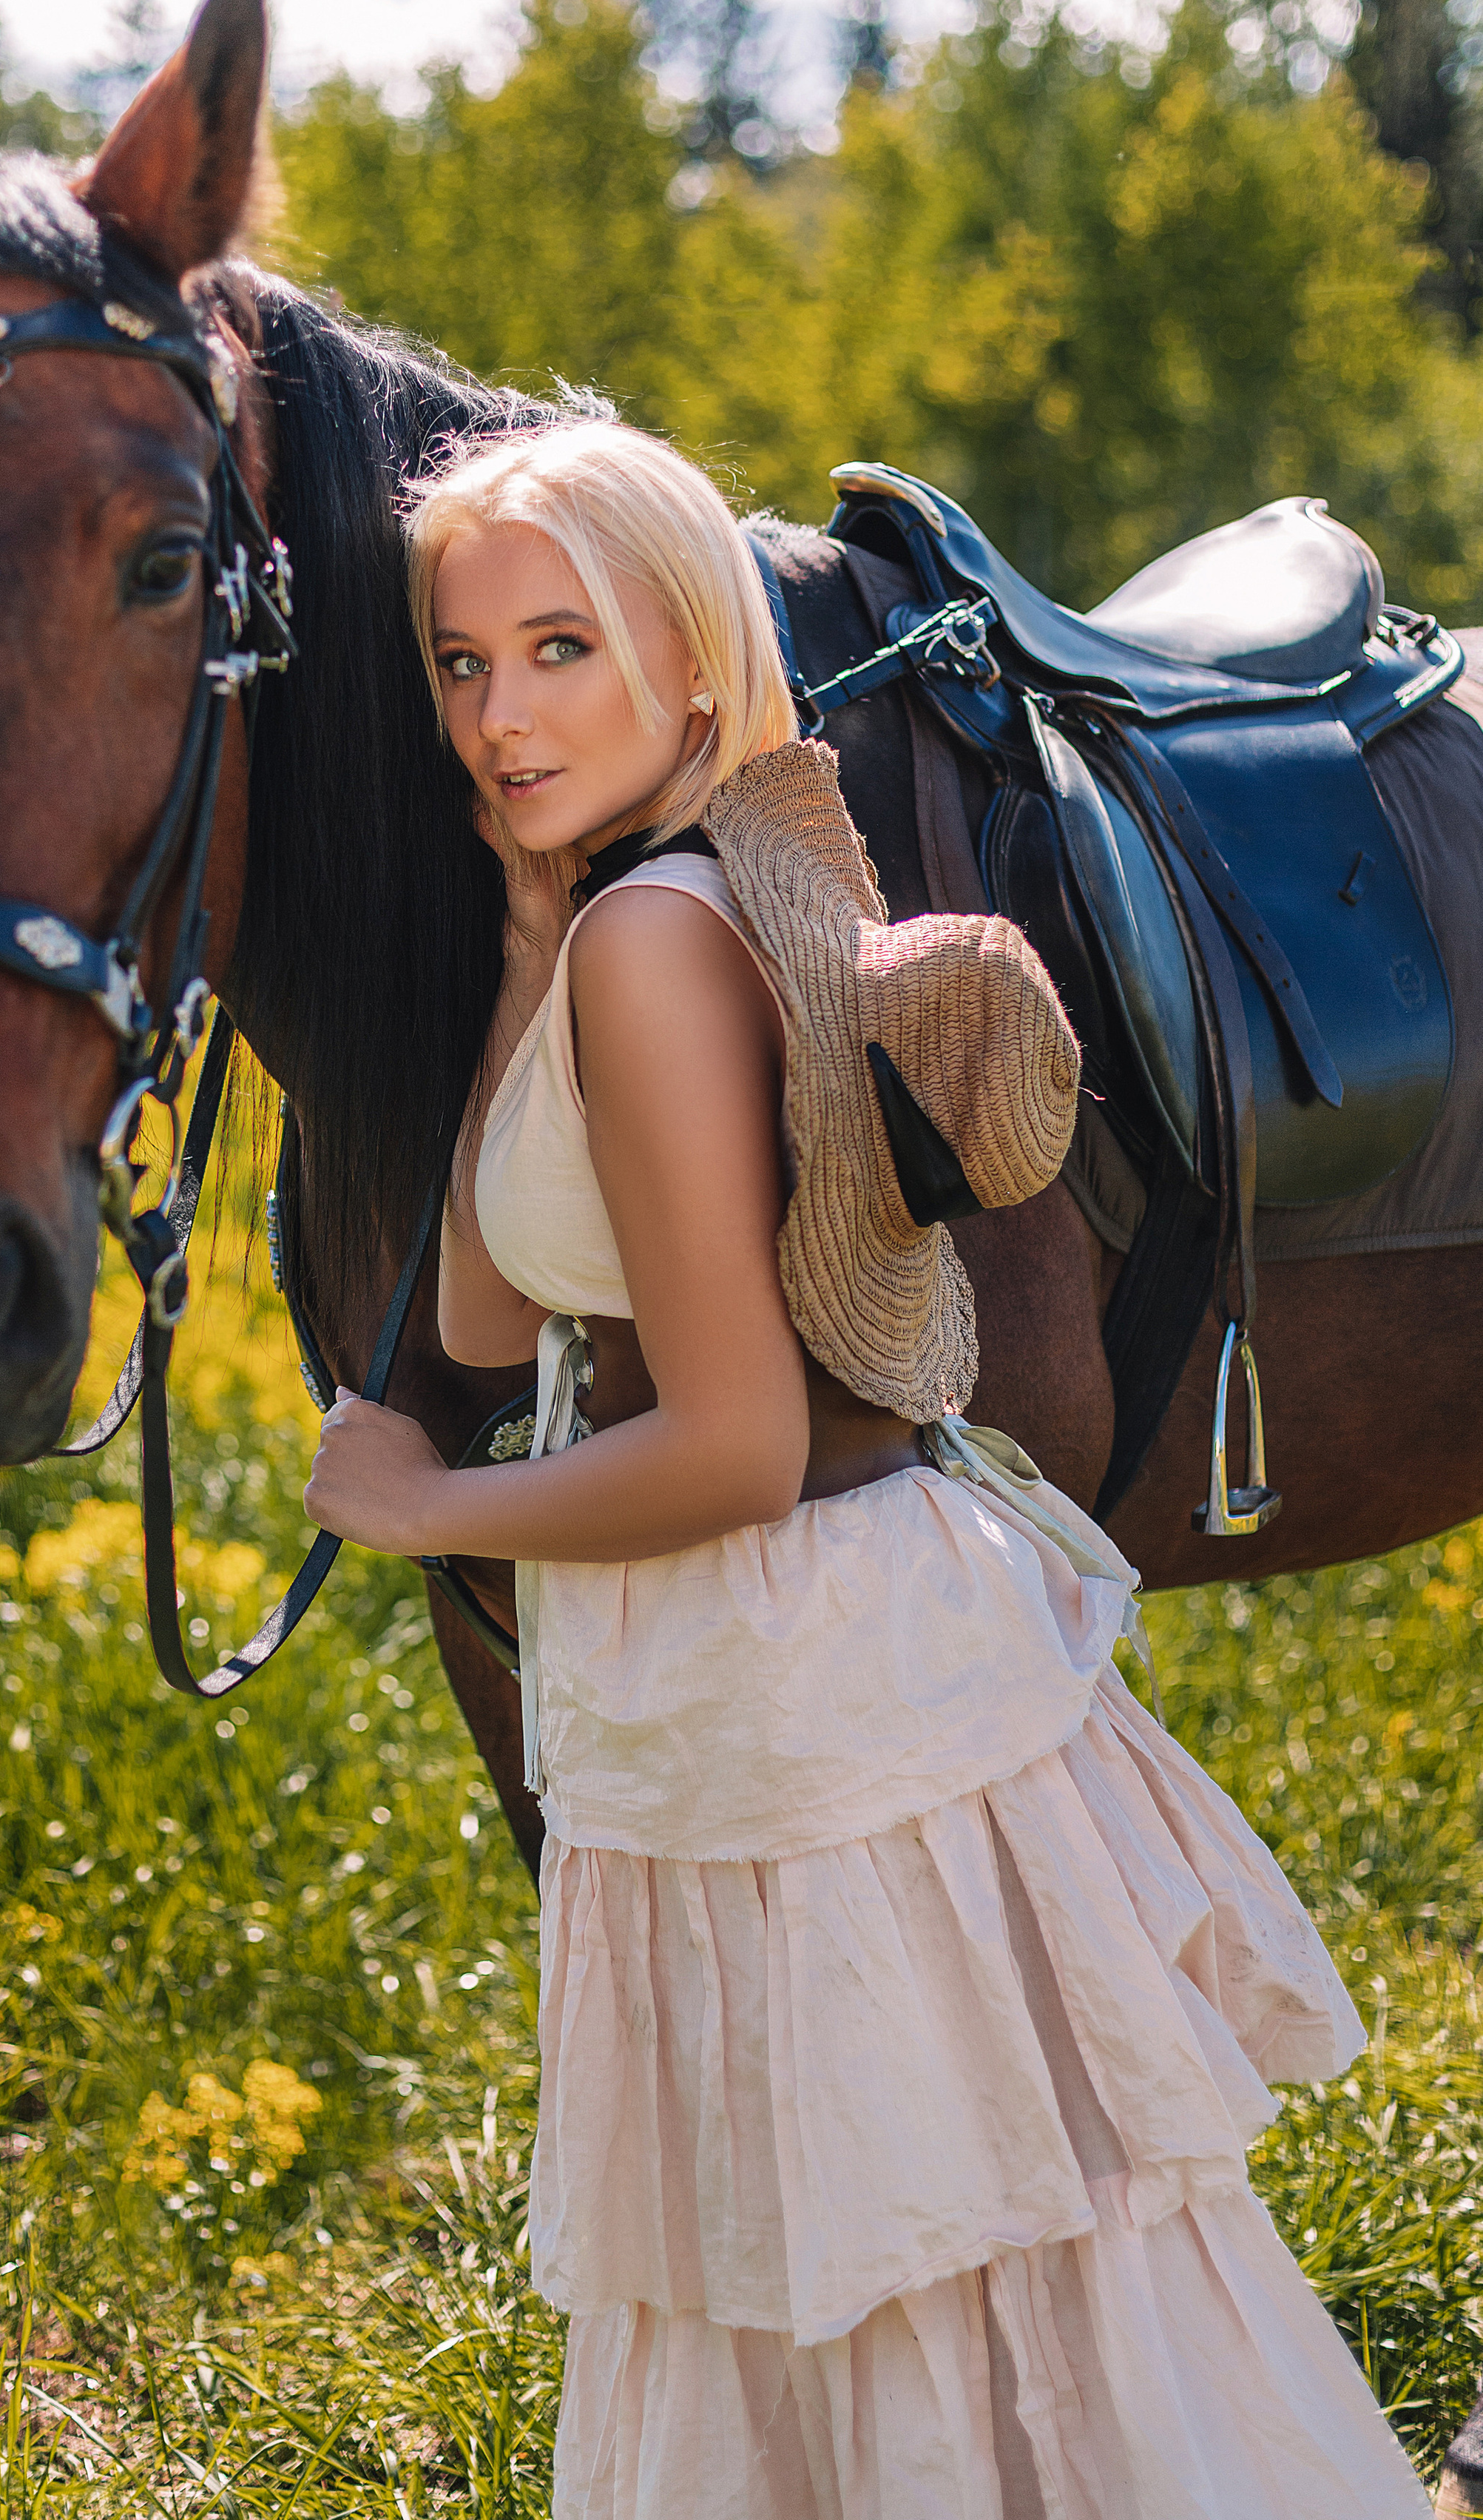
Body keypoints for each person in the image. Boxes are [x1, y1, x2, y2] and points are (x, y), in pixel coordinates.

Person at [302, 419, 1427, 2520]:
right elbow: (475, 1321)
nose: (501, 714)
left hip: (800, 1696)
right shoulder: (613, 924)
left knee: (928, 2319)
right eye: (460, 667)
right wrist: (525, 945)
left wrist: (433, 1511)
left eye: (563, 648)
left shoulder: (663, 945)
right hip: (738, 1714)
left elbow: (729, 1444)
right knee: (901, 2307)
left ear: (702, 664)